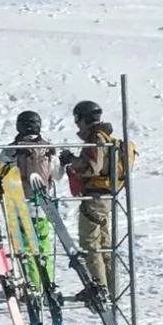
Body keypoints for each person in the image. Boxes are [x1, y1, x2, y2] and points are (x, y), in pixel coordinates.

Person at [61, 99, 133, 301]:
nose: (77, 124)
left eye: (77, 119)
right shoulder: (105, 136)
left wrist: (72, 162)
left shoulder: (95, 139)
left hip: (94, 197)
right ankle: (110, 287)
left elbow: (92, 166)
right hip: (105, 196)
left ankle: (99, 288)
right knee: (103, 243)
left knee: (91, 243)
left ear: (83, 118)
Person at [0, 109, 56, 273]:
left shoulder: (11, 149)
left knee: (27, 248)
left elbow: (1, 173)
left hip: (21, 204)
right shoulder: (48, 148)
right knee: (43, 245)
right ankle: (48, 282)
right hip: (44, 205)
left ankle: (34, 287)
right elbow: (57, 173)